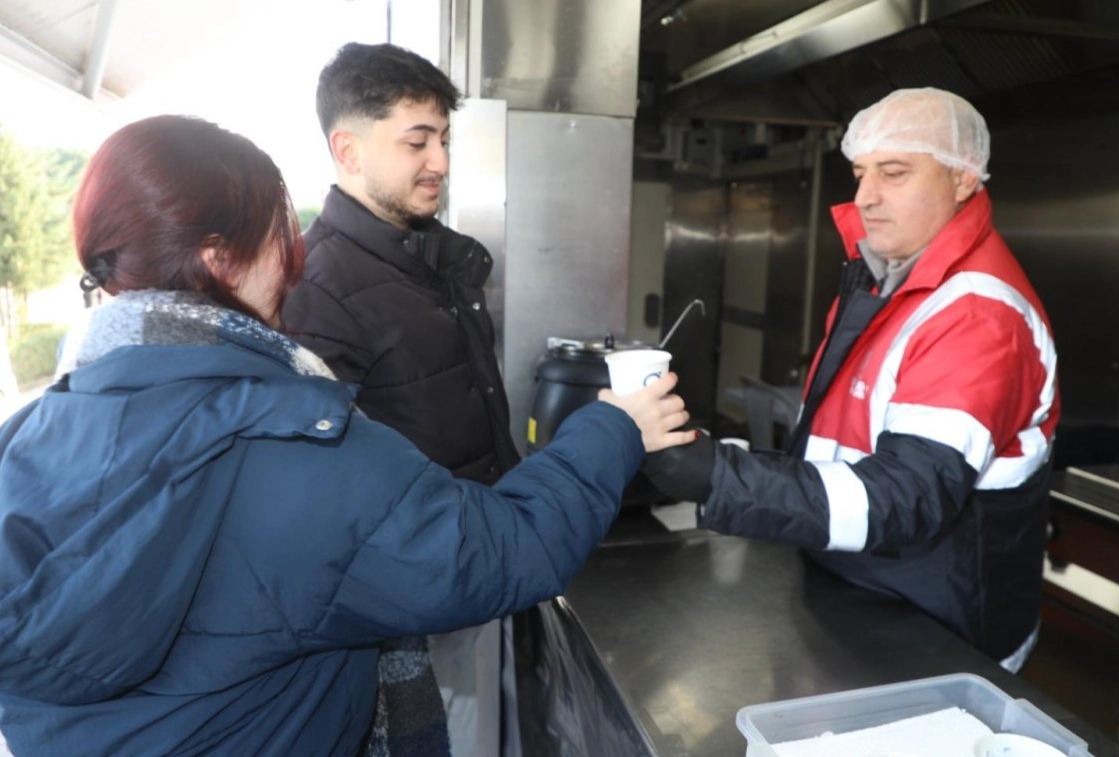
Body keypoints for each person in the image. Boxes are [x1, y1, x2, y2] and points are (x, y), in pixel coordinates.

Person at [0, 114, 695, 757]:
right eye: (276, 232)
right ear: (217, 258)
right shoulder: (289, 438)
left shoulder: (28, 432)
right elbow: (508, 550)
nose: (290, 255)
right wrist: (617, 424)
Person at [643, 88, 1059, 672]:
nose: (865, 198)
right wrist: (718, 456)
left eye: (894, 173)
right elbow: (842, 446)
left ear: (964, 178)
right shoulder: (889, 282)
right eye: (860, 174)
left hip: (940, 634)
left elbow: (904, 495)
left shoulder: (977, 314)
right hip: (861, 592)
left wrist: (719, 477)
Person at [279, 43, 517, 757]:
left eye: (443, 138)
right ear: (347, 150)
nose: (440, 161)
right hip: (409, 609)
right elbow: (316, 492)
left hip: (471, 572)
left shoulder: (433, 262)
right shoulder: (318, 288)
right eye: (417, 140)